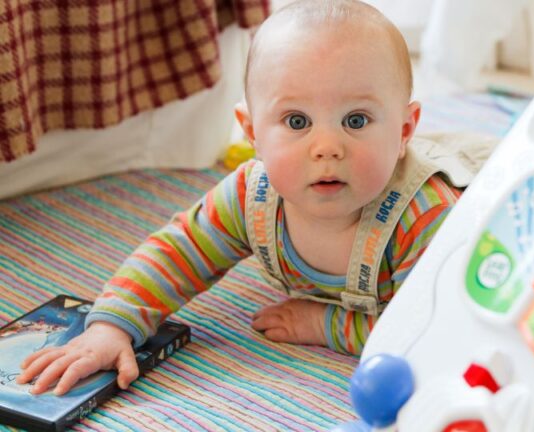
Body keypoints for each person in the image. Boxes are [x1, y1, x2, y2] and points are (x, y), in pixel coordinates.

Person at [17, 0, 464, 396]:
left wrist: (324, 324)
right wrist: (112, 324)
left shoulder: (427, 220)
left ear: (404, 130)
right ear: (251, 133)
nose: (327, 146)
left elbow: (434, 331)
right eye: (295, 121)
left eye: (356, 120)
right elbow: (178, 251)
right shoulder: (254, 193)